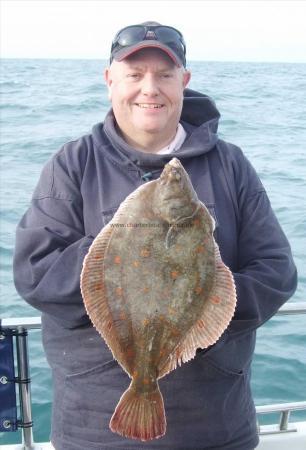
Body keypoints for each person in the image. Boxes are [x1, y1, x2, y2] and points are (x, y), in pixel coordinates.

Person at [13, 21, 297, 450]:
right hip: (96, 426)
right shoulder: (73, 163)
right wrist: (121, 252)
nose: (150, 88)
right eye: (134, 74)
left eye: (165, 75)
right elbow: (36, 273)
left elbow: (276, 271)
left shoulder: (230, 164)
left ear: (184, 81)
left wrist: (204, 316)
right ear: (110, 80)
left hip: (215, 422)